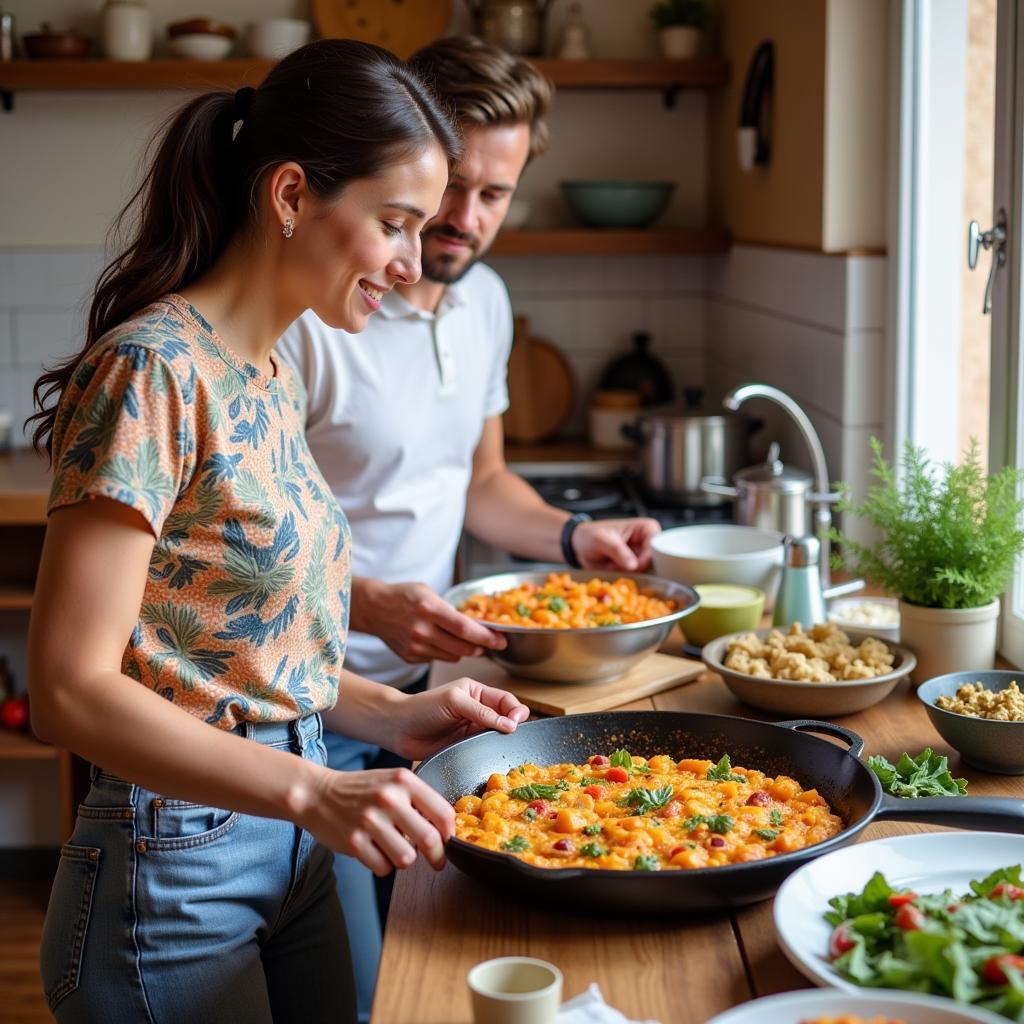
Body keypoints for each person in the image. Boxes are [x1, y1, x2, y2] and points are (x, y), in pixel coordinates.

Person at [25, 39, 528, 1024]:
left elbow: (230, 650)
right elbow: (69, 688)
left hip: (299, 830)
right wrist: (308, 792)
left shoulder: (269, 369)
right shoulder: (154, 372)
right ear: (292, 195)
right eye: (394, 222)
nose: (411, 261)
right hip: (176, 866)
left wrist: (388, 713)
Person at [276, 35, 661, 1020]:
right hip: (295, 701)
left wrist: (579, 538)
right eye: (451, 185)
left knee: (440, 960)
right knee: (363, 990)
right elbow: (232, 545)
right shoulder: (316, 315)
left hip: (420, 696)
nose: (465, 219)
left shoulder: (484, 301)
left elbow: (482, 481)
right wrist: (365, 599)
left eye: (496, 193)